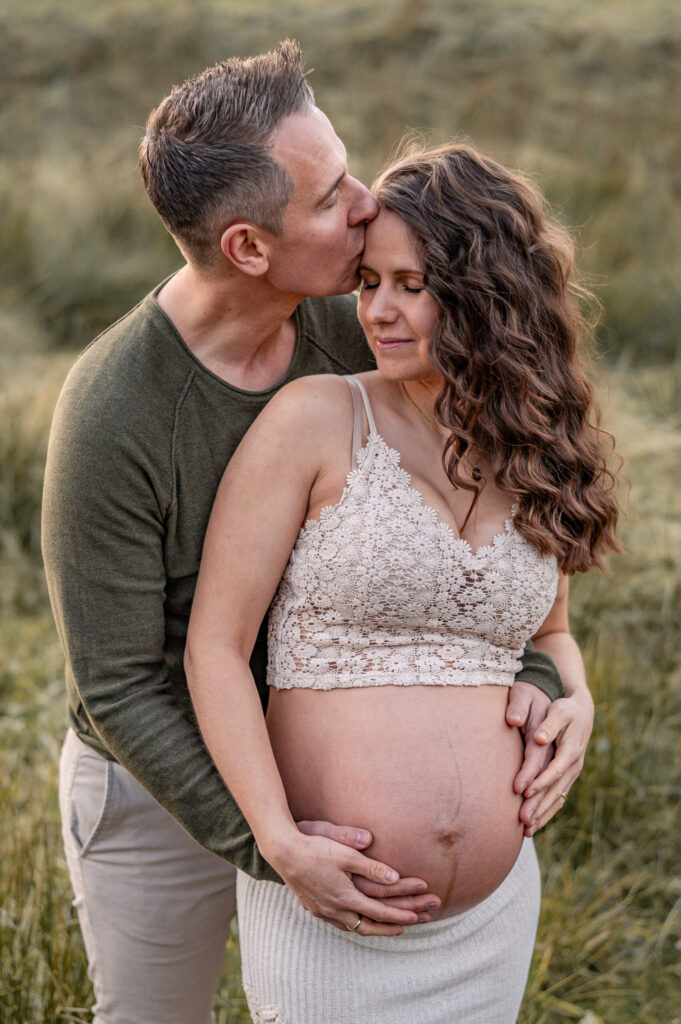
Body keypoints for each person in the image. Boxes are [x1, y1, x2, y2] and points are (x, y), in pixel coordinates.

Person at [42, 42, 590, 1024]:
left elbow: (494, 569)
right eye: (333, 194)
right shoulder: (114, 410)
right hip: (156, 776)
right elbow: (121, 680)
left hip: (310, 758)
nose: (366, 203)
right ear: (249, 247)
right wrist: (276, 840)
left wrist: (555, 690)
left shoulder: (359, 326)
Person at [185, 139, 620, 1023]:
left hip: (491, 920)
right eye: (367, 283)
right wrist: (276, 842)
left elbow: (549, 633)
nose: (377, 312)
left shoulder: (533, 450)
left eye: (411, 285)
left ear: (487, 295)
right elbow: (215, 649)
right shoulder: (315, 419)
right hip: (328, 904)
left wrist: (576, 704)